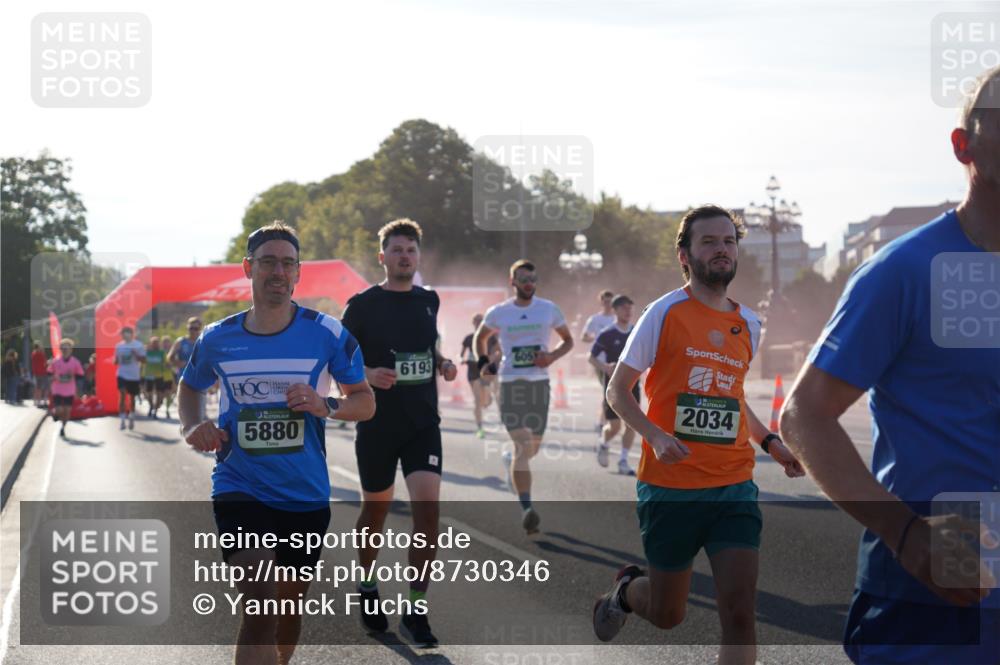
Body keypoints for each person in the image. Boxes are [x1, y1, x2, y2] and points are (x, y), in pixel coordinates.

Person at [780, 66, 1000, 665]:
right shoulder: (905, 270)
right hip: (932, 598)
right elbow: (803, 417)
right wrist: (904, 534)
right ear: (964, 145)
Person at [591, 205, 804, 665]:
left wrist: (769, 442)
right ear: (685, 255)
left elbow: (733, 400)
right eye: (708, 242)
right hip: (671, 489)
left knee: (741, 613)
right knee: (668, 614)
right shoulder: (663, 313)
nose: (721, 250)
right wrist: (654, 435)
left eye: (728, 241)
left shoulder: (749, 323)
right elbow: (618, 390)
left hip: (733, 486)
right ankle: (627, 593)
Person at [179, 221, 375, 665]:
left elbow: (365, 402)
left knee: (287, 611)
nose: (278, 272)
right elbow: (190, 388)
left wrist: (326, 405)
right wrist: (194, 426)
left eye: (288, 263)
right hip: (239, 485)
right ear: (249, 268)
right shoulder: (217, 338)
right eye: (268, 262)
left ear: (298, 273)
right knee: (260, 607)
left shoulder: (327, 333)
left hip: (304, 493)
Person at [341, 218, 458, 647]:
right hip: (376, 422)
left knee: (428, 512)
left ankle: (416, 609)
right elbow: (339, 361)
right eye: (396, 250)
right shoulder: (361, 305)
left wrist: (442, 362)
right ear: (382, 256)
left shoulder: (429, 300)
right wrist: (367, 373)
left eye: (410, 250)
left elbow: (428, 346)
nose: (404, 256)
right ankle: (368, 586)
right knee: (376, 511)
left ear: (418, 256)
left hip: (423, 423)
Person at [474, 259, 574, 534]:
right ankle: (527, 508)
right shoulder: (499, 312)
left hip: (539, 384)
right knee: (522, 445)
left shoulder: (548, 309)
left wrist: (551, 356)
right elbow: (480, 338)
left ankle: (509, 462)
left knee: (533, 448)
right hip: (510, 384)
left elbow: (568, 340)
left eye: (532, 279)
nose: (528, 283)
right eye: (523, 279)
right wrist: (483, 362)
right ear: (513, 282)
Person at [588, 294, 639, 476]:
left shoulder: (637, 332)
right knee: (615, 426)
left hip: (633, 385)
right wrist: (605, 367)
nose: (628, 311)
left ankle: (623, 461)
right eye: (624, 308)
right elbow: (591, 357)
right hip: (613, 387)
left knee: (633, 424)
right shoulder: (607, 334)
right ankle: (604, 442)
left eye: (630, 308)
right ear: (615, 310)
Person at [460, 313, 500, 439]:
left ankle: (488, 400)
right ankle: (480, 428)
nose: (478, 324)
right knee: (477, 400)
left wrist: (491, 357)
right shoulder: (468, 338)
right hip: (473, 369)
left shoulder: (491, 337)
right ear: (473, 324)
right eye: (476, 322)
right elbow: (461, 354)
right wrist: (462, 359)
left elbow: (498, 351)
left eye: (480, 321)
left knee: (486, 400)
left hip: (486, 369)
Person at [582, 290, 616, 430]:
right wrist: (593, 339)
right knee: (607, 390)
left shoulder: (616, 319)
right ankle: (603, 421)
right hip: (600, 361)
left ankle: (605, 420)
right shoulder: (595, 319)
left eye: (610, 301)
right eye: (605, 301)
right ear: (601, 302)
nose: (608, 304)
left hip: (615, 360)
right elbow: (583, 337)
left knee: (611, 391)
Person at [49, 338, 84, 437]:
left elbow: (80, 375)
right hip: (57, 389)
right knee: (60, 409)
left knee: (67, 411)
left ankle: (63, 427)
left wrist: (73, 376)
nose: (65, 350)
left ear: (71, 349)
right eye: (63, 348)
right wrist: (54, 377)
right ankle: (56, 413)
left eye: (67, 348)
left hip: (69, 390)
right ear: (60, 349)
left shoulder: (75, 362)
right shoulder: (55, 362)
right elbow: (49, 373)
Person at [114, 326, 145, 430]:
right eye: (123, 333)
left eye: (127, 333)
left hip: (134, 375)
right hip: (122, 374)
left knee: (132, 398)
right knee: (122, 394)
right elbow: (116, 361)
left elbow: (144, 360)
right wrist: (115, 361)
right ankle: (122, 419)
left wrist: (135, 354)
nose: (125, 335)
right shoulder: (119, 346)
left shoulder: (138, 345)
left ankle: (131, 416)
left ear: (132, 334)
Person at [142, 336, 167, 418]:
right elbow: (142, 361)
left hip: (159, 375)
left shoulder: (161, 352)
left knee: (159, 393)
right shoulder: (147, 352)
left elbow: (165, 363)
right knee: (148, 393)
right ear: (151, 344)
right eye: (153, 343)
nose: (155, 345)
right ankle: (151, 406)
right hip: (149, 375)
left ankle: (155, 411)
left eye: (156, 343)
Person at [31, 342, 50, 408]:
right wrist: (49, 362)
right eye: (40, 346)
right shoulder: (41, 354)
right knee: (45, 387)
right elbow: (45, 364)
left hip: (36, 373)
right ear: (38, 347)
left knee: (37, 388)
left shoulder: (33, 353)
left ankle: (36, 401)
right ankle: (44, 401)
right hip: (43, 373)